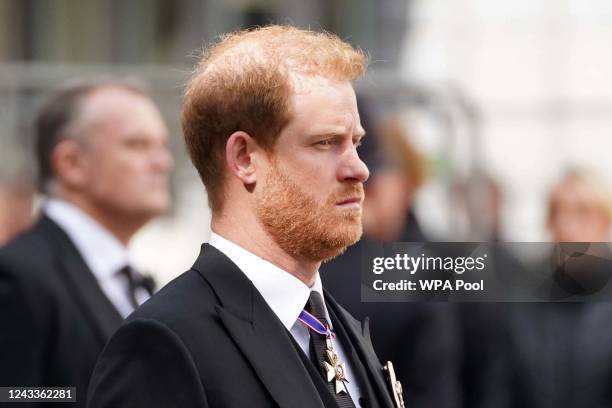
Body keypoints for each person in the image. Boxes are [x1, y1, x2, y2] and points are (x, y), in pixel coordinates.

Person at [87, 26, 399, 408]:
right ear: (245, 158)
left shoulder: (341, 327)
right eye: (325, 143)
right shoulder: (165, 342)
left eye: (356, 143)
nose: (359, 169)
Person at [0, 79, 173, 406]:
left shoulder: (137, 282)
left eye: (162, 146)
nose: (162, 162)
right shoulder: (19, 274)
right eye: (137, 145)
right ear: (71, 163)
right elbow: (11, 394)